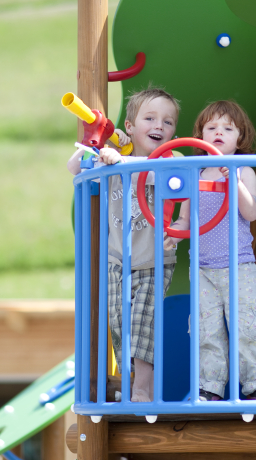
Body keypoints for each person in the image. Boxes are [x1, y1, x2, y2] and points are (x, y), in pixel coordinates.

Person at [67, 87, 181, 402]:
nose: (160, 126)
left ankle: (145, 389)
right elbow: (74, 167)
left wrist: (121, 162)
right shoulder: (113, 158)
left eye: (168, 122)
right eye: (150, 118)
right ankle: (132, 386)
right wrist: (98, 140)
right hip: (117, 259)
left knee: (144, 323)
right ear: (129, 127)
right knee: (120, 325)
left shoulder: (173, 159)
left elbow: (165, 178)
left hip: (154, 258)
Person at [164, 100, 256, 401]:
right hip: (202, 268)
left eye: (228, 128)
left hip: (238, 265)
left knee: (246, 327)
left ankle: (255, 386)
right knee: (206, 330)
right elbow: (184, 219)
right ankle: (210, 388)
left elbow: (251, 212)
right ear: (200, 135)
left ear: (240, 137)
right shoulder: (195, 174)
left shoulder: (243, 170)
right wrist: (174, 236)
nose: (219, 132)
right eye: (211, 127)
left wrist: (234, 183)